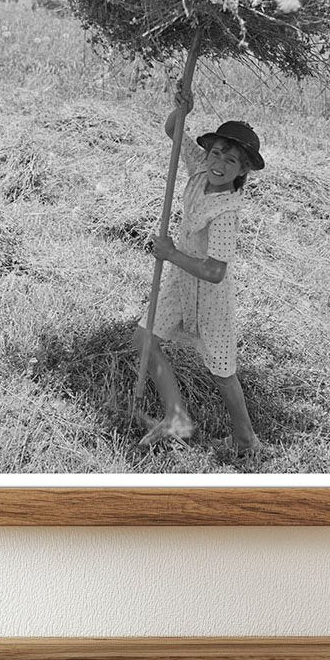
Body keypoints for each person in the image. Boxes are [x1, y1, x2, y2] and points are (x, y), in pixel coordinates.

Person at [134, 84, 265, 457]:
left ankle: (246, 440)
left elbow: (215, 271)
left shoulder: (226, 212)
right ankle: (176, 416)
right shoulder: (200, 170)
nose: (219, 164)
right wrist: (183, 109)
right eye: (217, 152)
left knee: (221, 370)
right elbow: (173, 131)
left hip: (210, 296)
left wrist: (171, 253)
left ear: (243, 170)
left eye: (231, 160)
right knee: (144, 338)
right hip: (180, 283)